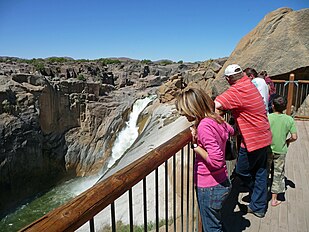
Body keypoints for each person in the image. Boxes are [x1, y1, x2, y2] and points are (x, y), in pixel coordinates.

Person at [214, 64, 272, 218]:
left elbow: (215, 105)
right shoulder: (248, 83)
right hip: (264, 134)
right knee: (260, 171)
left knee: (242, 170)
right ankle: (258, 206)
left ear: (228, 79)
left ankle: (257, 196)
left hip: (253, 140)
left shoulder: (237, 90)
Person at [176, 87, 234, 232]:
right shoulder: (216, 118)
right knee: (217, 222)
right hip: (222, 181)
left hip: (210, 186)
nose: (182, 114)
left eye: (184, 111)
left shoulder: (204, 126)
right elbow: (231, 131)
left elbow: (216, 161)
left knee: (211, 228)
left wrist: (195, 145)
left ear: (193, 108)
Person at [268, 95, 297, 206]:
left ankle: (262, 194)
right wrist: (288, 141)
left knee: (264, 171)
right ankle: (274, 199)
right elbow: (294, 137)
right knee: (278, 173)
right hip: (281, 150)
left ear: (273, 106)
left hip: (268, 149)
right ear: (285, 107)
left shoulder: (267, 117)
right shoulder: (289, 119)